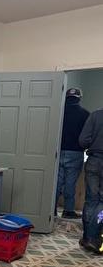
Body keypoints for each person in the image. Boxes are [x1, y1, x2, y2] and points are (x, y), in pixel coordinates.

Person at [56, 88, 89, 218]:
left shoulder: (58, 111)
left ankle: (51, 209)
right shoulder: (85, 114)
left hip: (57, 151)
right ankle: (68, 211)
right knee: (70, 182)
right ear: (79, 98)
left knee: (56, 182)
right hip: (76, 152)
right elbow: (87, 136)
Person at [79, 107, 103, 254]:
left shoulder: (95, 115)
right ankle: (94, 239)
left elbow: (83, 140)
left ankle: (87, 237)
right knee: (102, 203)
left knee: (91, 200)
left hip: (94, 160)